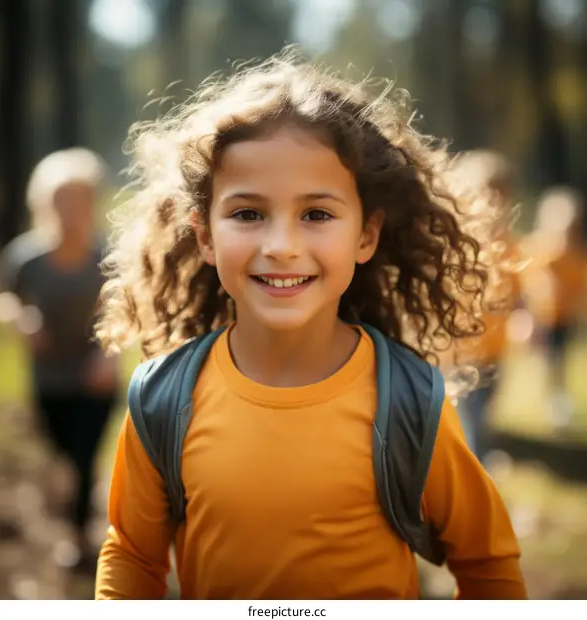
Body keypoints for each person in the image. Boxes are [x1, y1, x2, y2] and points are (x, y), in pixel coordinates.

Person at [94, 51, 527, 599]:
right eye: (248, 214)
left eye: (317, 215)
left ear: (365, 236)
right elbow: (131, 556)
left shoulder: (410, 403)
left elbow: (489, 567)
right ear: (203, 234)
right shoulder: (162, 399)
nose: (281, 247)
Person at [0, 148, 120, 572]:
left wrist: (108, 355)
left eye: (79, 199)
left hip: (95, 378)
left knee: (82, 456)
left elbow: (127, 309)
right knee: (59, 453)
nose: (70, 210)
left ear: (92, 202)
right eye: (60, 200)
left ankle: (79, 539)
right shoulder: (26, 258)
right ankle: (70, 515)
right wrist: (22, 320)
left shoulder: (108, 257)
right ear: (43, 205)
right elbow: (5, 298)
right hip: (48, 379)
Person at [445, 150, 525, 461]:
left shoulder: (510, 243)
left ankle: (475, 454)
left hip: (496, 349)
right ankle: (475, 465)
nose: (494, 206)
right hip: (464, 352)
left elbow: (517, 291)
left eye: (501, 197)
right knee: (469, 411)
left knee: (487, 404)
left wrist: (522, 313)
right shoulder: (457, 242)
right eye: (486, 196)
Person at [522, 186, 587, 429]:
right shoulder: (542, 251)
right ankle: (553, 395)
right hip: (543, 317)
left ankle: (557, 397)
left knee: (559, 358)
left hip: (565, 318)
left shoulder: (578, 255)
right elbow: (528, 279)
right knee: (550, 357)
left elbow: (581, 286)